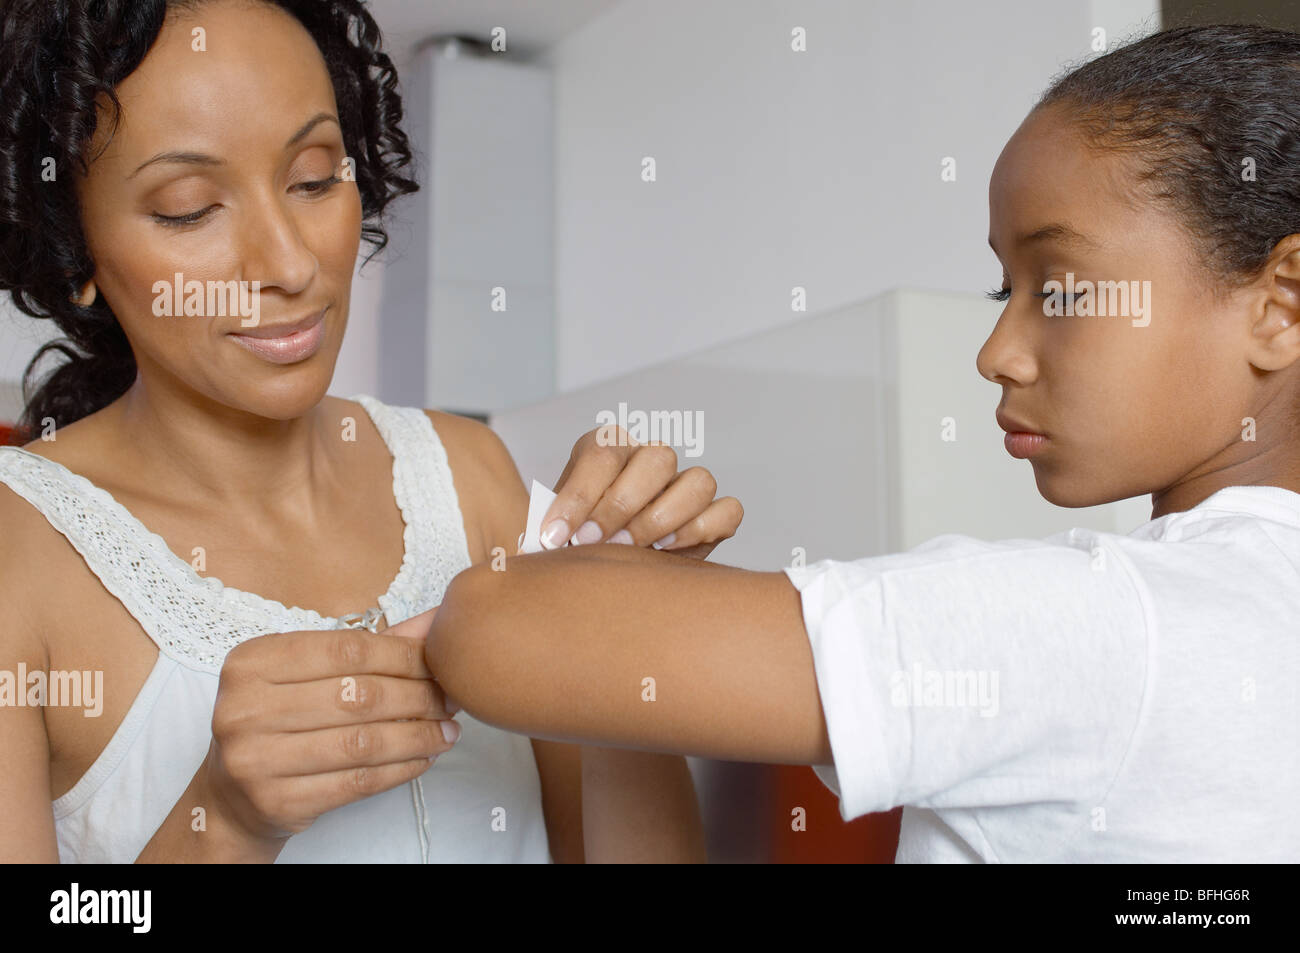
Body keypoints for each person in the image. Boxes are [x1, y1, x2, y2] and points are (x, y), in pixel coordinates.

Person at [406, 24, 1300, 862]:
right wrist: (616, 620)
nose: (996, 354)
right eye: (1005, 291)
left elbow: (491, 630)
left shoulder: (1107, 625)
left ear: (1280, 302)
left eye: (1060, 289)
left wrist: (583, 582)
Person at [0, 0, 742, 863]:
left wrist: (625, 636)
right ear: (74, 251)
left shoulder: (470, 477)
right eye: (190, 207)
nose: (288, 264)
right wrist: (224, 819)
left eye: (314, 179)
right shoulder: (21, 558)